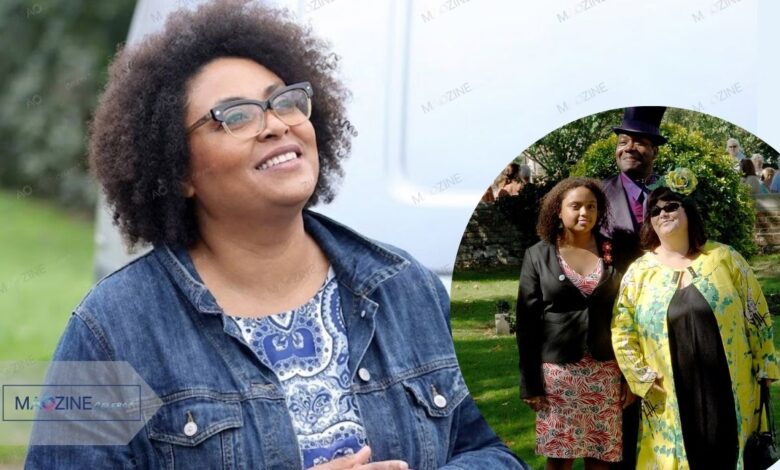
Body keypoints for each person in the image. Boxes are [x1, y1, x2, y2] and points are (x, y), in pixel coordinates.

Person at [24, 2, 525, 469]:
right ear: (178, 170)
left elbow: (500, 447)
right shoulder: (109, 331)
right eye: (235, 116)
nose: (276, 125)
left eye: (285, 102)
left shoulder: (406, 287)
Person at [611, 170, 779, 469]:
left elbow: (756, 312)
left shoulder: (724, 258)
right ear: (649, 222)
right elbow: (622, 330)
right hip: (669, 391)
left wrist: (766, 363)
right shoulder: (639, 272)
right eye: (655, 210)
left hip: (730, 382)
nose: (664, 213)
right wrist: (642, 379)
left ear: (688, 210)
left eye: (672, 206)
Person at [517, 177, 625, 470]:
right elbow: (526, 324)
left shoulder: (613, 252)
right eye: (575, 206)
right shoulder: (538, 255)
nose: (584, 213)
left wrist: (629, 376)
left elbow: (628, 314)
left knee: (602, 457)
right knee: (560, 458)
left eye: (591, 206)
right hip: (558, 375)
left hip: (605, 371)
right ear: (558, 211)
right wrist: (530, 383)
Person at [601, 106, 667, 470]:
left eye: (639, 142)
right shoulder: (596, 195)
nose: (629, 147)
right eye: (623, 141)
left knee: (668, 410)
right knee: (621, 422)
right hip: (611, 324)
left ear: (655, 150)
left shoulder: (671, 197)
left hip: (665, 323)